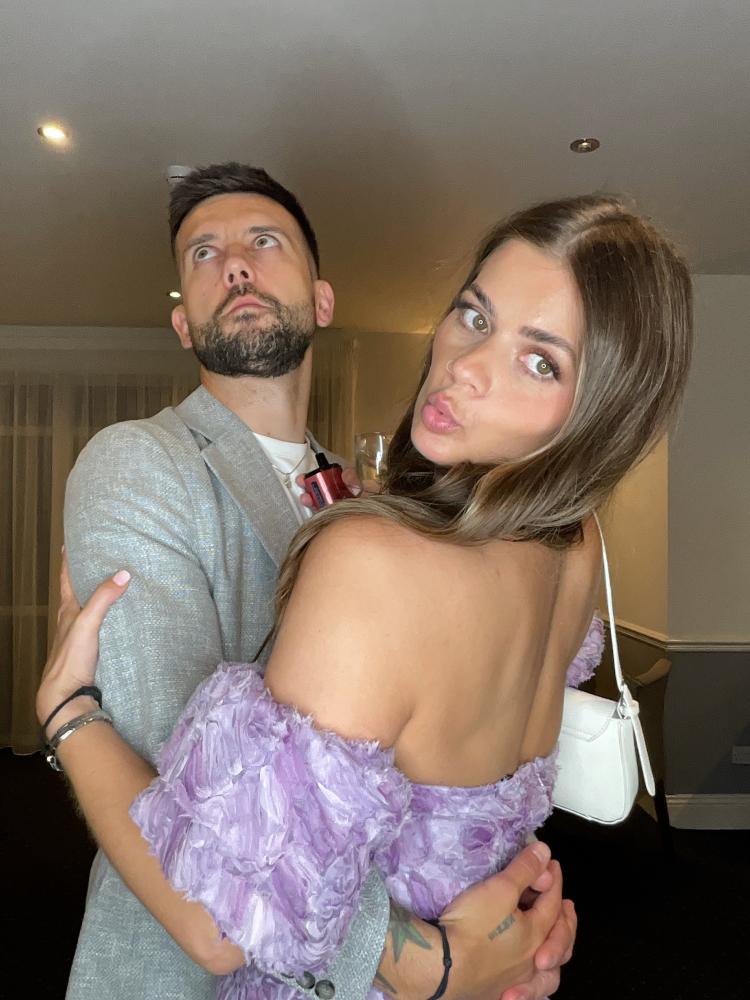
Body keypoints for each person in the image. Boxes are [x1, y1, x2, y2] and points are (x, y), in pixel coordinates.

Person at [50, 163, 576, 1000]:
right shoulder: (136, 464)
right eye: (203, 254)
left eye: (265, 242)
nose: (235, 264)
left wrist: (506, 923)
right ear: (184, 323)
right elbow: (193, 823)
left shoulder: (372, 499)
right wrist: (435, 963)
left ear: (323, 300)